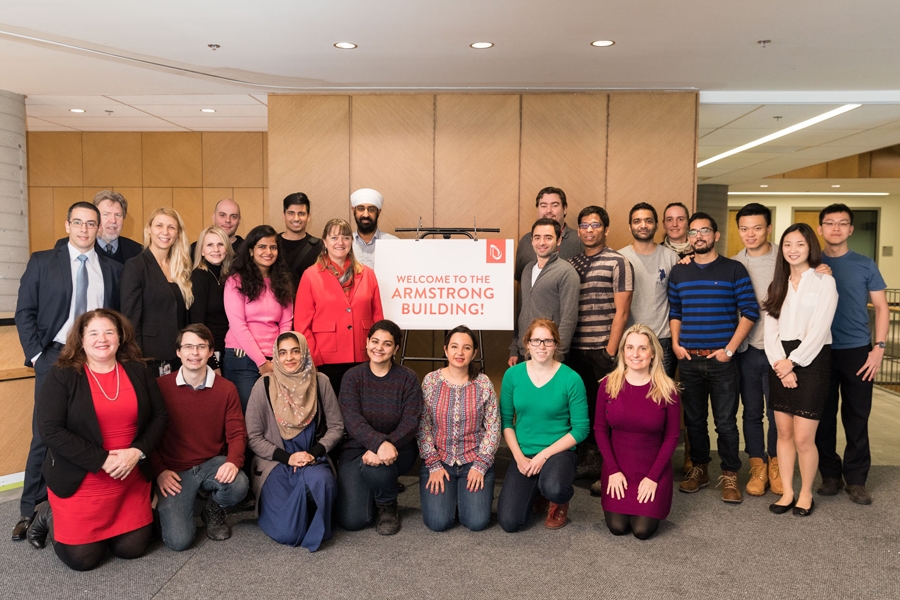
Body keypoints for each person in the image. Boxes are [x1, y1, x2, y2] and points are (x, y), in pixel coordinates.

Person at [26, 309, 168, 571]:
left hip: (129, 474)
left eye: (109, 332)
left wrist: (137, 452)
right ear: (81, 340)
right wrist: (101, 459)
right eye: (93, 333)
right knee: (83, 560)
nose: (102, 339)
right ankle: (47, 513)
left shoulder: (139, 369)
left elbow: (160, 417)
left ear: (120, 337)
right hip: (81, 477)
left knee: (132, 549)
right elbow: (50, 430)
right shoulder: (63, 374)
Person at [13, 201, 122, 542]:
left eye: (91, 223)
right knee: (44, 434)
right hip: (55, 357)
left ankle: (69, 506)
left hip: (96, 360)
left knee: (89, 431)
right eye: (78, 222)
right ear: (67, 225)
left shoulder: (112, 269)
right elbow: (25, 311)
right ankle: (29, 509)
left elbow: (114, 319)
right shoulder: (43, 261)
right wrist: (36, 355)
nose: (85, 229)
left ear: (99, 227)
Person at [668, 212, 759, 503]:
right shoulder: (680, 271)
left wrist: (729, 350)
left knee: (725, 422)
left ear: (716, 235)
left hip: (722, 361)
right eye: (693, 232)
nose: (698, 236)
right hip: (689, 359)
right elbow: (675, 312)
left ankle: (730, 474)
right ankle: (700, 469)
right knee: (694, 421)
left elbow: (750, 312)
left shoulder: (734, 269)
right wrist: (675, 343)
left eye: (704, 231)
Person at [762, 224, 838, 517]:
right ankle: (788, 492)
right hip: (779, 360)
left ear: (810, 248)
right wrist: (781, 365)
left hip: (813, 360)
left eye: (800, 245)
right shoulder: (777, 285)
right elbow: (770, 331)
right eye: (788, 245)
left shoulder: (823, 282)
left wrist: (793, 363)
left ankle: (805, 493)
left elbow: (819, 331)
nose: (793, 250)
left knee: (805, 436)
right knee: (783, 433)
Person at [816, 204, 888, 505]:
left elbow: (882, 308)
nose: (836, 228)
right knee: (822, 416)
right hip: (819, 349)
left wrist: (879, 349)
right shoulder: (810, 262)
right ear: (820, 228)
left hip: (857, 349)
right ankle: (831, 475)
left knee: (857, 416)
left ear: (850, 229)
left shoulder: (865, 263)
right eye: (830, 223)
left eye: (842, 223)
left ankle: (856, 479)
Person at [245, 331, 344, 550]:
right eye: (283, 353)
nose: (289, 358)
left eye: (295, 351)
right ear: (276, 357)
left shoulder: (320, 381)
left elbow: (336, 426)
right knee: (287, 533)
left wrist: (315, 453)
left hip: (311, 459)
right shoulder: (263, 385)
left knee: (322, 482)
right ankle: (299, 514)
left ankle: (311, 513)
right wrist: (287, 458)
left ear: (304, 352)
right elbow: (253, 436)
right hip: (276, 464)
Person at [154, 324, 249, 550]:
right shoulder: (159, 387)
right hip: (174, 472)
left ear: (210, 352)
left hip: (210, 463)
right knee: (179, 541)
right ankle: (164, 510)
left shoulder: (226, 389)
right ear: (178, 352)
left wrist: (233, 462)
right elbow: (148, 435)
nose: (194, 353)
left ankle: (213, 509)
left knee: (239, 484)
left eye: (200, 347)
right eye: (188, 346)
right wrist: (158, 471)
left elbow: (237, 433)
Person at [497, 318, 590, 532]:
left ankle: (557, 499)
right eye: (536, 340)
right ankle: (539, 492)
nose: (541, 346)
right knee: (509, 522)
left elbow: (581, 429)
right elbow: (506, 422)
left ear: (556, 344)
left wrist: (543, 455)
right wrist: (519, 457)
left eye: (548, 341)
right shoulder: (513, 375)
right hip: (524, 452)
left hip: (558, 451)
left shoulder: (571, 379)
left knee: (555, 488)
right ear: (527, 344)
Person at [568, 205, 634, 493]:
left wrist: (609, 351)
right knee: (580, 410)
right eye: (584, 225)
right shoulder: (571, 263)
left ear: (605, 229)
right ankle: (588, 460)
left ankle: (609, 468)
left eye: (595, 225)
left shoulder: (619, 262)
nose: (589, 230)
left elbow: (622, 311)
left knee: (608, 412)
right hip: (574, 349)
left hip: (603, 352)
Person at [595, 324, 681, 539]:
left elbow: (672, 437)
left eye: (642, 348)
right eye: (630, 347)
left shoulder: (667, 389)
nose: (635, 354)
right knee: (617, 527)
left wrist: (652, 478)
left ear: (652, 353)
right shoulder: (608, 385)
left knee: (642, 531)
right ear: (623, 351)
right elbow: (599, 430)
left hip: (652, 471)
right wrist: (613, 471)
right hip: (618, 470)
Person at [336, 320, 421, 535]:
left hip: (398, 448)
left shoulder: (408, 378)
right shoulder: (352, 377)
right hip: (356, 449)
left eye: (387, 344)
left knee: (379, 467)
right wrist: (377, 443)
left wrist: (384, 445)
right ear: (366, 342)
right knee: (354, 521)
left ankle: (387, 504)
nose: (379, 348)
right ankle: (377, 490)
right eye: (375, 341)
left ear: (396, 348)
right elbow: (351, 418)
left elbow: (411, 422)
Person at [417, 326, 500, 532]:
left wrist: (481, 465)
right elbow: (423, 425)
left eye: (466, 348)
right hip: (439, 460)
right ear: (446, 350)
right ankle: (451, 498)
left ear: (474, 353)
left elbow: (493, 428)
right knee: (438, 523)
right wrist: (433, 464)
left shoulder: (483, 384)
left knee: (477, 522)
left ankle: (461, 496)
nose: (459, 353)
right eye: (454, 346)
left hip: (474, 460)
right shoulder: (431, 381)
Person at [295, 218, 384, 397]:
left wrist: (377, 351)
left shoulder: (368, 274)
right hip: (326, 359)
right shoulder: (311, 275)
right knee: (333, 415)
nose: (340, 242)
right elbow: (302, 325)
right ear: (325, 242)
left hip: (364, 356)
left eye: (345, 237)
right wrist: (315, 359)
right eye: (334, 237)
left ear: (351, 242)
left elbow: (378, 319)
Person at [730, 203, 782, 497]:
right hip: (746, 351)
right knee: (751, 413)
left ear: (769, 229)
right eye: (745, 228)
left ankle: (776, 465)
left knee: (777, 413)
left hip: (779, 351)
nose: (750, 234)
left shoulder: (785, 259)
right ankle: (757, 466)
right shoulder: (735, 263)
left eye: (757, 227)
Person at [223, 224, 295, 408]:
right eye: (262, 247)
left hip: (275, 359)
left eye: (273, 247)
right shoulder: (236, 281)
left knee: (275, 415)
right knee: (250, 415)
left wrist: (279, 357)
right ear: (251, 251)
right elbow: (238, 325)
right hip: (242, 358)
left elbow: (286, 323)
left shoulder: (282, 280)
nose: (268, 252)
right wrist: (261, 363)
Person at [121, 206, 193, 377]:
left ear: (177, 234)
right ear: (149, 230)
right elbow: (130, 319)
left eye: (171, 227)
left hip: (178, 356)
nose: (165, 232)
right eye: (159, 225)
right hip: (148, 358)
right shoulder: (136, 266)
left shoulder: (181, 268)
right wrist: (135, 359)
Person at [618, 202, 678, 378]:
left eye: (648, 221)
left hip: (662, 341)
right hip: (629, 340)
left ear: (656, 225)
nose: (643, 225)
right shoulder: (619, 258)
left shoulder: (671, 257)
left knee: (662, 395)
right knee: (631, 396)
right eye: (637, 221)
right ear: (630, 227)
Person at [508, 218, 580, 365]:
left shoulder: (566, 272)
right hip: (525, 351)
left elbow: (569, 317)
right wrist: (515, 348)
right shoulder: (527, 270)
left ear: (559, 240)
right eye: (537, 237)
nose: (542, 242)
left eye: (548, 238)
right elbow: (521, 311)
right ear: (532, 241)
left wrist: (558, 354)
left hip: (549, 354)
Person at [514, 186, 584, 282]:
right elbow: (520, 280)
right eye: (543, 206)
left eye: (554, 205)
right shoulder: (525, 241)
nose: (548, 210)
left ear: (564, 209)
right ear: (537, 209)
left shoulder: (579, 240)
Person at [189, 226, 234, 372]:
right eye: (210, 245)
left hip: (229, 349)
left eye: (220, 244)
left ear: (226, 249)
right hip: (210, 352)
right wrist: (212, 362)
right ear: (201, 250)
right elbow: (197, 323)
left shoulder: (229, 276)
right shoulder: (199, 277)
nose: (216, 249)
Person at [55, 191, 143, 264]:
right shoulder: (66, 245)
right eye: (106, 214)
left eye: (118, 215)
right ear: (95, 218)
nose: (113, 220)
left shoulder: (137, 250)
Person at [279, 192, 323, 293]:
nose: (296, 218)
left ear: (308, 217)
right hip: (278, 305)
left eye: (301, 214)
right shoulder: (273, 244)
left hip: (308, 304)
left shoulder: (319, 246)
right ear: (283, 215)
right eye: (291, 213)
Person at [350, 188, 398, 269]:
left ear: (378, 212)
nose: (366, 215)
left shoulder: (394, 243)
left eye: (371, 210)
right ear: (353, 210)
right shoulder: (344, 244)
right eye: (361, 209)